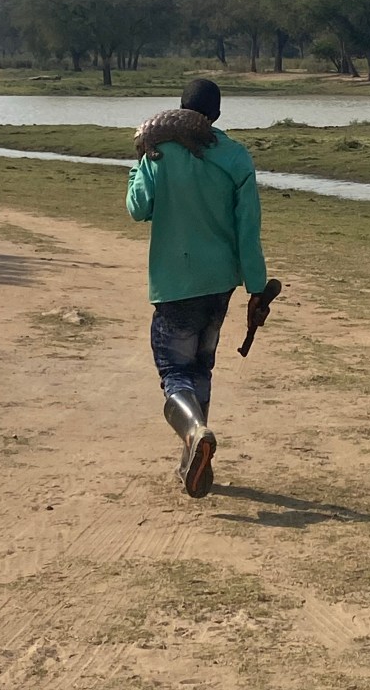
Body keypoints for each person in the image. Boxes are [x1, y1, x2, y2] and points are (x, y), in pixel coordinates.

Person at [126, 78, 268, 499]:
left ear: (181, 109)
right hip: (220, 284)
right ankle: (193, 461)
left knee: (175, 372)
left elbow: (138, 208)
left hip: (174, 284)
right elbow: (248, 230)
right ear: (217, 115)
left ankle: (193, 432)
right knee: (201, 368)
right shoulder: (236, 156)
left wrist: (138, 166)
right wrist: (257, 286)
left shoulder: (158, 152)